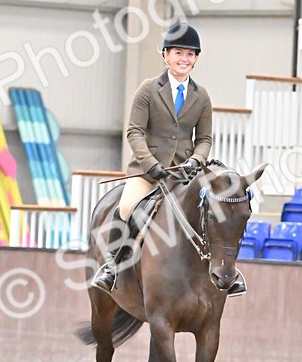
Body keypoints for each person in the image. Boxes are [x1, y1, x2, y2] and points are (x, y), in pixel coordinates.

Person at [91, 22, 213, 294]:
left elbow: (204, 139)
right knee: (126, 208)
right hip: (149, 173)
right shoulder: (148, 89)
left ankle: (223, 269)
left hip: (184, 174)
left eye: (190, 54)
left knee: (213, 210)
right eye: (179, 53)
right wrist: (151, 165)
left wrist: (197, 160)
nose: (184, 59)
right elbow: (134, 132)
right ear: (166, 55)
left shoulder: (201, 96)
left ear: (196, 58)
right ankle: (111, 265)